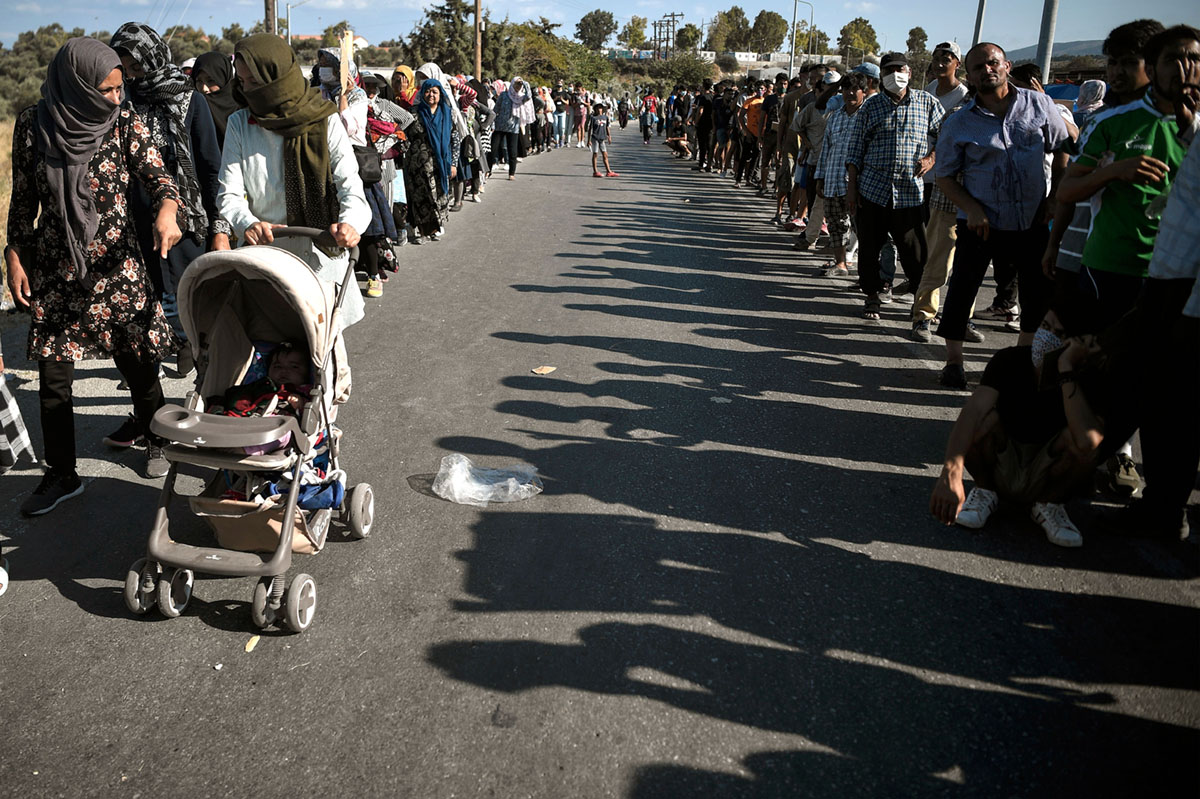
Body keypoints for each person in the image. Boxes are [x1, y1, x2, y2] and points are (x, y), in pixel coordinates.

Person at [6, 37, 182, 514]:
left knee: (138, 364)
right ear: (77, 83)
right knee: (53, 378)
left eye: (120, 88)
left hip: (117, 269)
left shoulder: (123, 122)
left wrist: (167, 210)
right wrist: (15, 254)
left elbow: (161, 179)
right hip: (57, 270)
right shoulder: (33, 125)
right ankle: (61, 474)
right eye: (106, 90)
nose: (116, 98)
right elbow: (23, 200)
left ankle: (157, 438)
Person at [108, 22, 228, 394]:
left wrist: (218, 227)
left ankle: (207, 381)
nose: (132, 75)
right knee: (144, 302)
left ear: (154, 56)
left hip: (187, 221)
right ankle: (149, 389)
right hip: (134, 219)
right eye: (125, 68)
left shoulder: (190, 100)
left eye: (136, 66)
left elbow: (210, 167)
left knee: (191, 301)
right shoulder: (122, 100)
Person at [216, 34, 368, 326]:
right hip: (265, 259)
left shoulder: (325, 120)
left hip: (320, 259)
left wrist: (350, 224)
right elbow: (229, 194)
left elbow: (350, 185)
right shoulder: (239, 124)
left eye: (254, 82)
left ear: (278, 78)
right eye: (242, 81)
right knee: (269, 344)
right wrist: (247, 223)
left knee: (323, 344)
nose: (246, 90)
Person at [929, 336, 1119, 548]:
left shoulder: (1090, 375)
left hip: (1048, 472)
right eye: (1045, 326)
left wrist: (1066, 372)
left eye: (1058, 331)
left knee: (1086, 439)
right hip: (1004, 462)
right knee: (982, 420)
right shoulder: (1010, 359)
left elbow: (1087, 442)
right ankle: (985, 491)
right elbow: (973, 412)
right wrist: (950, 472)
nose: (1047, 336)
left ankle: (1049, 504)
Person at [845, 52, 944, 320]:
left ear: (909, 73)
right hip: (873, 190)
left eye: (900, 69)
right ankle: (872, 296)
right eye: (889, 71)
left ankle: (920, 302)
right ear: (881, 75)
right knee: (869, 250)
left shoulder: (927, 102)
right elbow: (855, 149)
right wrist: (852, 190)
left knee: (916, 253)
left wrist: (931, 158)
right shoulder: (871, 106)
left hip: (910, 193)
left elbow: (945, 135)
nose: (895, 75)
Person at [910, 41, 972, 342]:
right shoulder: (932, 95)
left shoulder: (969, 99)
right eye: (937, 58)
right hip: (940, 188)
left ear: (958, 64)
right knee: (937, 256)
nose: (940, 62)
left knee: (968, 264)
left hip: (975, 196)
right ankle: (923, 315)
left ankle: (962, 318)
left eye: (947, 58)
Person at [813, 72, 868, 278]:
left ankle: (868, 272)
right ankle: (840, 264)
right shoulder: (835, 117)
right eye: (846, 89)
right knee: (836, 225)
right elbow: (825, 149)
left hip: (858, 184)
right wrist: (820, 178)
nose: (850, 93)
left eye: (855, 89)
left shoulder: (868, 115)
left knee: (862, 228)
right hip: (833, 181)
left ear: (864, 91)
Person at [402, 79, 460, 239]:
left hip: (440, 164)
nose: (431, 95)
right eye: (427, 91)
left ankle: (437, 226)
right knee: (421, 198)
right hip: (418, 166)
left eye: (435, 92)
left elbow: (455, 140)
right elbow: (405, 136)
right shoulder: (414, 113)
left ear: (441, 94)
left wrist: (453, 164)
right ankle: (423, 231)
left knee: (438, 196)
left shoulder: (448, 114)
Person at [191, 51, 242, 148]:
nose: (204, 89)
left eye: (211, 81)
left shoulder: (243, 112)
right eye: (199, 81)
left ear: (224, 78)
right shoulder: (191, 112)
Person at [494, 76, 531, 180]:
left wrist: (524, 83)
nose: (518, 86)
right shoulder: (504, 95)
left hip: (513, 128)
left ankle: (511, 173)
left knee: (512, 152)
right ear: (512, 84)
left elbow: (529, 96)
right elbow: (496, 109)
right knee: (494, 148)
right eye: (516, 84)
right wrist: (492, 122)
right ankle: (488, 171)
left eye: (520, 85)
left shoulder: (521, 97)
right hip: (500, 126)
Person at [589, 102, 617, 177]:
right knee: (595, 154)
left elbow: (607, 127)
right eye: (598, 108)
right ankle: (595, 171)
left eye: (600, 108)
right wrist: (589, 140)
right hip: (595, 138)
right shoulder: (593, 118)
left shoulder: (605, 117)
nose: (599, 109)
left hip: (602, 138)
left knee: (605, 154)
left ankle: (608, 171)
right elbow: (590, 129)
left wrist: (609, 136)